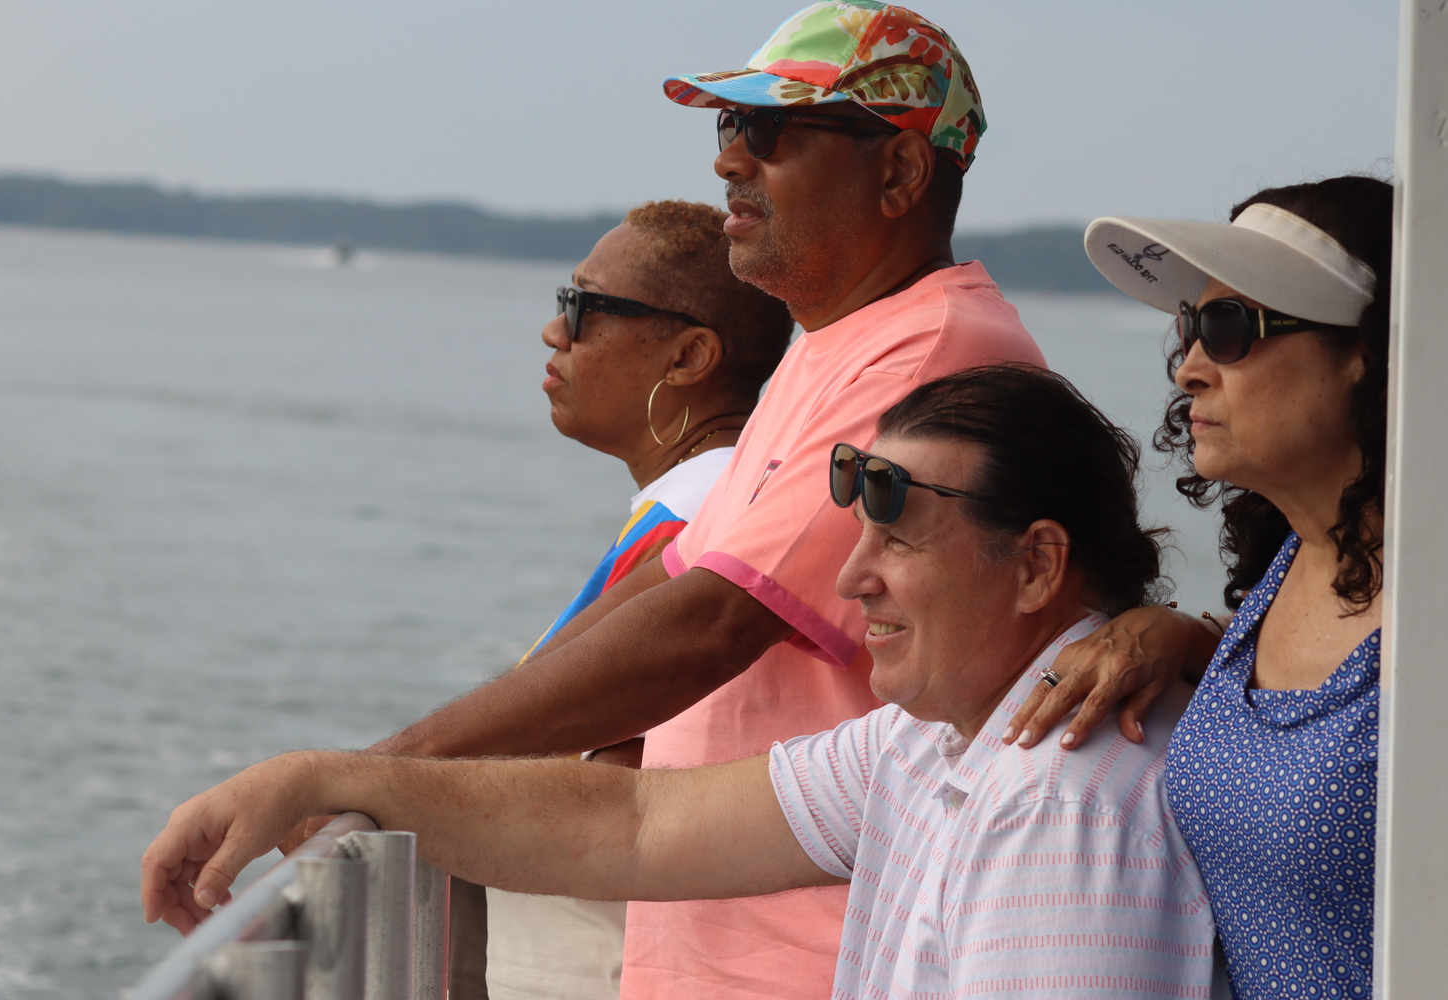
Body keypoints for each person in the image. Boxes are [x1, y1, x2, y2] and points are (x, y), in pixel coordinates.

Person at [229, 4, 1043, 995]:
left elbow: (711, 624)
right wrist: (381, 768)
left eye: (772, 132)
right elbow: (674, 576)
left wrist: (369, 777)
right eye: (726, 128)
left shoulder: (928, 354)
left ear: (902, 172)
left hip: (816, 959)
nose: (729, 162)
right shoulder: (837, 347)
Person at [143, 365, 1217, 999]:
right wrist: (317, 777)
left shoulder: (1066, 802)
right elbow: (639, 820)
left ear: (1035, 565)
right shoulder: (938, 741)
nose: (853, 578)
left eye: (902, 539)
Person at [1012, 176, 1391, 999]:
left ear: (1366, 352)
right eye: (1190, 328)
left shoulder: (1429, 608)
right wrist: (1182, 635)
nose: (1188, 369)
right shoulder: (1291, 564)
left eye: (1228, 329)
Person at [474, 200, 793, 1000]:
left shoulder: (703, 516)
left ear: (688, 355)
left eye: (583, 308)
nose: (556, 333)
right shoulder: (702, 501)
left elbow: (612, 767)